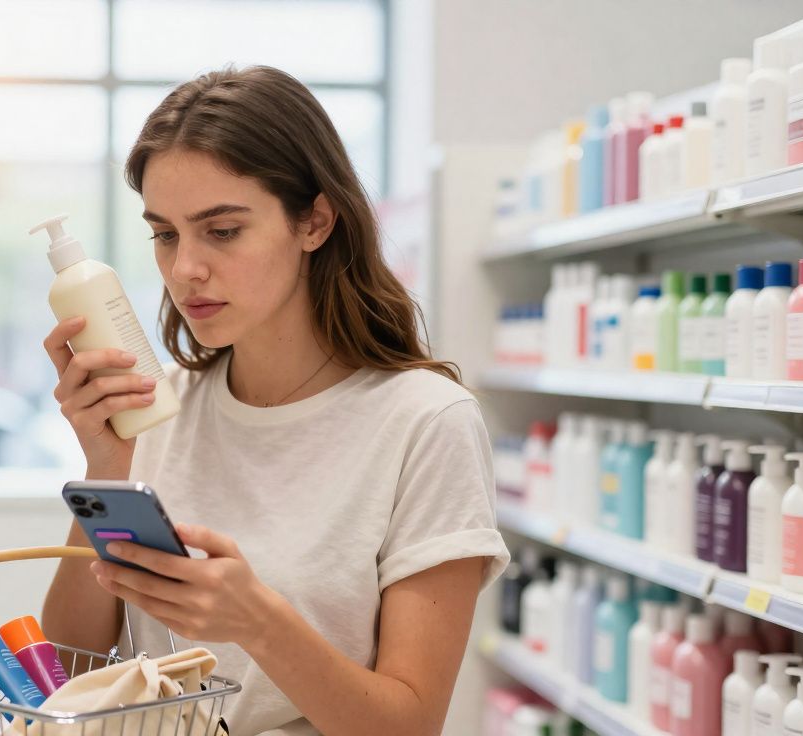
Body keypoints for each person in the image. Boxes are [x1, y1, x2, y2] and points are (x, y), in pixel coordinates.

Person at [41, 65, 509, 736]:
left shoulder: (426, 423)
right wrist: (105, 470)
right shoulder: (158, 410)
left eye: (222, 231)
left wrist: (259, 623)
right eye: (165, 234)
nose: (184, 270)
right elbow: (63, 673)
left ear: (314, 221)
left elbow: (410, 724)